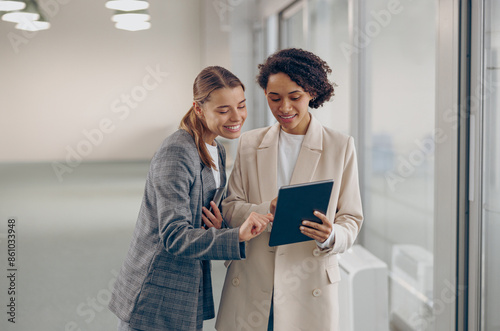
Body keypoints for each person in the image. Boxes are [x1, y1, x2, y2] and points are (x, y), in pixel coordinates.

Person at [108, 66, 272, 331]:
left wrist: (221, 227)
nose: (236, 116)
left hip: (186, 286)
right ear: (199, 109)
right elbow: (173, 235)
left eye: (241, 106)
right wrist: (236, 236)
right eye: (223, 110)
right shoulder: (177, 151)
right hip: (156, 291)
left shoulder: (216, 149)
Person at [214, 48, 363, 331]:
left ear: (312, 93)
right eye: (275, 98)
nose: (284, 107)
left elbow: (352, 219)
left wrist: (331, 235)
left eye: (295, 97)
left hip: (308, 283)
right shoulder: (249, 143)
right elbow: (230, 208)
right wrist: (263, 211)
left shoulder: (340, 146)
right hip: (252, 280)